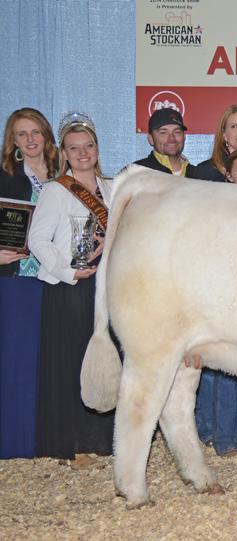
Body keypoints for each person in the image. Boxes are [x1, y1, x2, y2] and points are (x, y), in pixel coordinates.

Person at [28, 112, 114, 467]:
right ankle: (71, 443)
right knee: (71, 362)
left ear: (97, 149)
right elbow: (37, 239)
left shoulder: (112, 188)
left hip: (105, 286)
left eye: (88, 146)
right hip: (69, 288)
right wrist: (67, 272)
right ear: (64, 153)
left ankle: (101, 439)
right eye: (74, 148)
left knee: (103, 360)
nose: (82, 154)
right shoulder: (56, 190)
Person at [193, 148, 237, 457]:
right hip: (223, 295)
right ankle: (224, 439)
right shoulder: (217, 211)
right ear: (229, 177)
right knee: (225, 367)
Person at [0, 108, 57, 459]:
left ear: (46, 135)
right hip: (18, 279)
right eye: (22, 134)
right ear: (13, 141)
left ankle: (51, 438)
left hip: (58, 280)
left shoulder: (64, 173)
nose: (30, 139)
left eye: (35, 131)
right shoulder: (4, 177)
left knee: (53, 360)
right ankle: (17, 441)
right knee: (18, 361)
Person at [134, 107, 197, 177]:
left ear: (184, 137)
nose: (172, 138)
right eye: (163, 133)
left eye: (177, 132)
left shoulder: (199, 175)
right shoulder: (135, 173)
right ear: (151, 139)